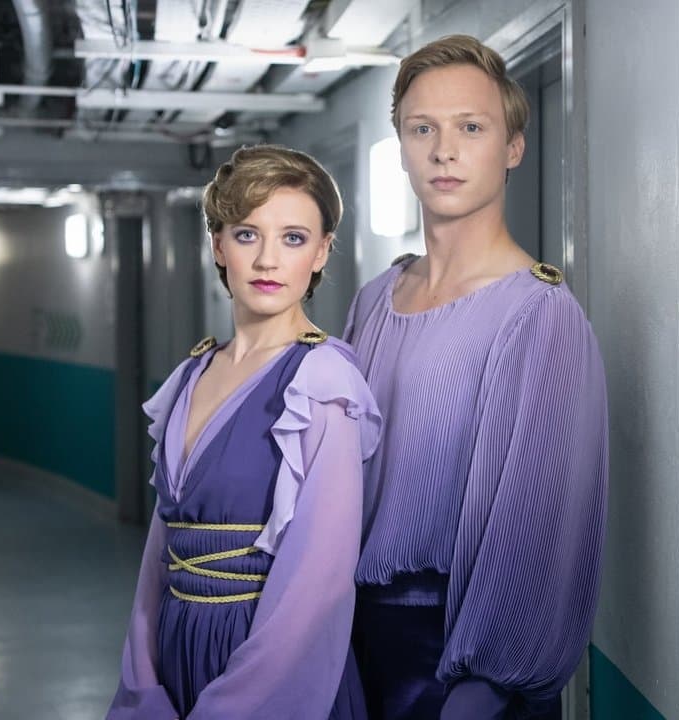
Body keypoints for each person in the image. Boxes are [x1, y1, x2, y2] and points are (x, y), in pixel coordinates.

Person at [344, 34, 609, 720]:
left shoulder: (539, 313)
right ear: (401, 147)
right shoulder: (373, 299)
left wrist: (480, 689)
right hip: (352, 645)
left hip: (459, 665)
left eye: (471, 127)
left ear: (513, 147)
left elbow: (539, 528)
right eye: (422, 129)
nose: (444, 150)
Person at [107, 145, 381, 720]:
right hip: (176, 652)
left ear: (321, 251)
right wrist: (142, 687)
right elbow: (158, 557)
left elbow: (317, 589)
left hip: (267, 667)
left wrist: (232, 708)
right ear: (218, 246)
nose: (267, 260)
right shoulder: (191, 375)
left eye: (293, 238)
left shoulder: (323, 382)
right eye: (247, 234)